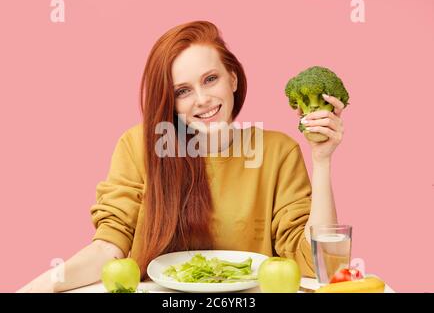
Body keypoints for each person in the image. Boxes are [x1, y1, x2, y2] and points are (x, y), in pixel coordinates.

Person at [17, 20, 345, 293]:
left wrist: (322, 159)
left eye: (210, 79)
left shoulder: (277, 151)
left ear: (232, 79)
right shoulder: (139, 146)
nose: (201, 100)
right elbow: (109, 246)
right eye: (182, 91)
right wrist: (40, 286)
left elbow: (316, 263)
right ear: (170, 102)